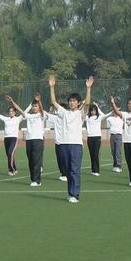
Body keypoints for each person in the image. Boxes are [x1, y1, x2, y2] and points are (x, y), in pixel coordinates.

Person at [48, 75, 93, 203]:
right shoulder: (64, 112)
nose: (72, 103)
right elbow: (54, 102)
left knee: (75, 170)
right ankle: (70, 193)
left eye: (74, 101)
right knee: (67, 171)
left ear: (78, 103)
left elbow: (87, 103)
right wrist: (52, 87)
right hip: (63, 145)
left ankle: (75, 194)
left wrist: (88, 88)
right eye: (70, 101)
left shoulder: (80, 114)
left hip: (76, 145)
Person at [6, 94, 46, 186]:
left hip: (38, 140)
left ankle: (36, 181)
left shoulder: (41, 115)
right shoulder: (28, 116)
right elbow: (19, 109)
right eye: (33, 106)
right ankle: (33, 179)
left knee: (36, 160)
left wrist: (39, 101)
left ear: (39, 107)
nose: (34, 108)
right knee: (31, 161)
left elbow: (42, 110)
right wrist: (12, 101)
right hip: (29, 140)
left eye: (36, 106)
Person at [110, 91, 131, 187]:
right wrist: (113, 103)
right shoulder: (125, 114)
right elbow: (117, 112)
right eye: (129, 104)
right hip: (126, 141)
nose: (130, 105)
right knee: (129, 162)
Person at [0, 91, 25, 176]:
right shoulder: (6, 119)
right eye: (9, 111)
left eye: (12, 111)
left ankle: (11, 170)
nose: (11, 112)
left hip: (14, 138)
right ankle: (15, 169)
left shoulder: (18, 118)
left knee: (10, 153)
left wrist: (12, 102)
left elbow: (25, 111)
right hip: (6, 139)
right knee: (9, 155)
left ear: (15, 112)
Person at [85, 102, 109, 176]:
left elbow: (104, 115)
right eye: (92, 110)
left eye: (94, 110)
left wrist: (97, 107)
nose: (93, 112)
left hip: (97, 138)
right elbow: (82, 115)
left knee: (95, 154)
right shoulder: (87, 118)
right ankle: (93, 170)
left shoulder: (99, 117)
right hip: (90, 138)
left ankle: (97, 170)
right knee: (91, 154)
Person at [46, 105, 67, 181]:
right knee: (59, 159)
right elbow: (46, 114)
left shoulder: (68, 118)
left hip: (66, 142)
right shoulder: (55, 118)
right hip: (58, 142)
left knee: (65, 159)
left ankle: (66, 174)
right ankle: (63, 173)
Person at [106, 108, 124, 172]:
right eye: (114, 111)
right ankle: (115, 165)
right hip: (112, 136)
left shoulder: (122, 118)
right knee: (113, 151)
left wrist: (118, 110)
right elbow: (108, 126)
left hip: (119, 136)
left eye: (117, 111)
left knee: (117, 152)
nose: (115, 113)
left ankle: (119, 166)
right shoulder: (109, 119)